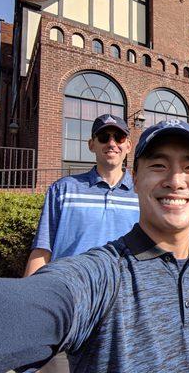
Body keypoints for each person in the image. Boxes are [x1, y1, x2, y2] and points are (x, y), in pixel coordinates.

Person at [0, 120, 189, 373]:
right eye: (158, 165)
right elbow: (35, 301)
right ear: (136, 178)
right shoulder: (102, 276)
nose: (175, 181)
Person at [24, 114, 139, 277]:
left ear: (128, 146)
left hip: (124, 295)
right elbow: (42, 250)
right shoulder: (63, 189)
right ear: (91, 145)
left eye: (119, 137)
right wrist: (28, 297)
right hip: (69, 292)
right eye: (104, 137)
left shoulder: (142, 192)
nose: (112, 143)